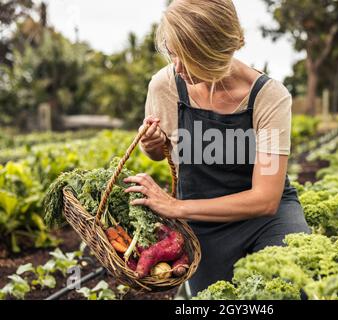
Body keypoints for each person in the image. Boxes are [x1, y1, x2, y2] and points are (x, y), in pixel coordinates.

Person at [123, 0, 310, 296]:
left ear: (216, 51)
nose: (178, 67)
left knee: (288, 288)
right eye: (173, 54)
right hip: (204, 226)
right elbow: (158, 154)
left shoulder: (269, 96)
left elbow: (266, 199)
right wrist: (152, 144)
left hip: (265, 221)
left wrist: (175, 207)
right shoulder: (164, 86)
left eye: (189, 56)